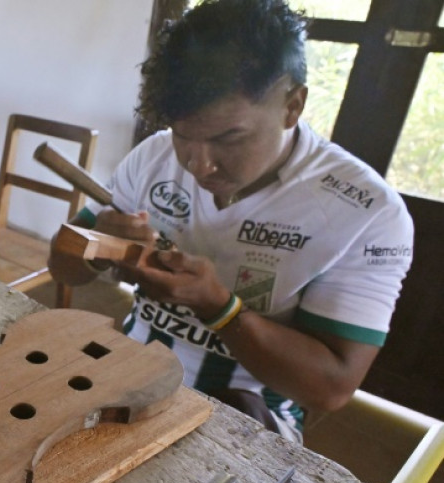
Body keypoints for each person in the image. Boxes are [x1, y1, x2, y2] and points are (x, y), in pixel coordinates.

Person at [48, 0, 413, 443]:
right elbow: (61, 266)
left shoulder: (365, 211)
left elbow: (332, 388)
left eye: (228, 137)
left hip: (249, 418)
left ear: (292, 106)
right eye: (184, 134)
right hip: (124, 373)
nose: (199, 165)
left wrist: (219, 309)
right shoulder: (154, 155)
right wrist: (98, 243)